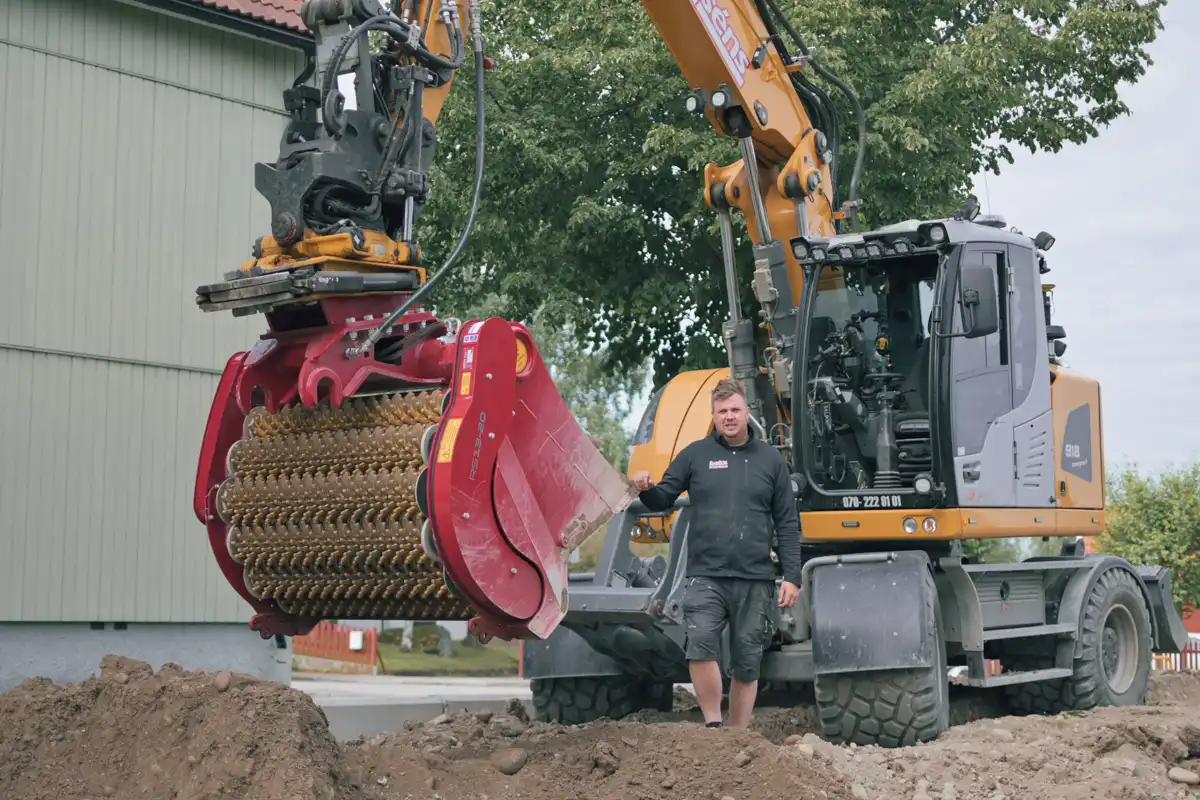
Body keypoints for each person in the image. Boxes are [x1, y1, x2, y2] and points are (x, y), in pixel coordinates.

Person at [632, 378, 802, 729]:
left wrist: (792, 577)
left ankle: (737, 734)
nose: (729, 417)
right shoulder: (695, 455)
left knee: (747, 660)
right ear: (713, 415)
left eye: (735, 410)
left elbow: (787, 522)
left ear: (746, 413)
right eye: (722, 411)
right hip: (706, 576)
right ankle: (712, 724)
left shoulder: (771, 460)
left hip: (756, 578)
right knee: (700, 644)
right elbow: (663, 498)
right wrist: (646, 489)